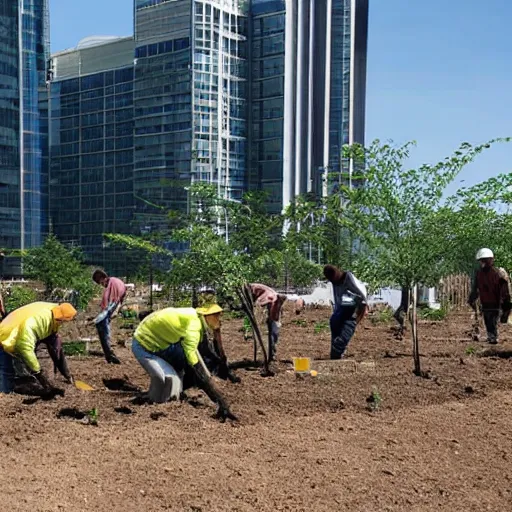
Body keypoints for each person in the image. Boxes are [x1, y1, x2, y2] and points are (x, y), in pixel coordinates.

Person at [132, 305, 237, 421]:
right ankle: (167, 394)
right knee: (185, 374)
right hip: (146, 343)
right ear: (206, 316)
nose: (218, 319)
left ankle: (181, 386)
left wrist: (221, 363)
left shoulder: (194, 318)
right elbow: (195, 364)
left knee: (192, 368)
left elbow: (205, 349)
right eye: (215, 316)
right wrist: (220, 400)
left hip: (159, 338)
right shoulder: (193, 328)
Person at [0, 302, 77, 396]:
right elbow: (24, 347)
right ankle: (5, 395)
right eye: (65, 321)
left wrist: (66, 373)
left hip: (18, 331)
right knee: (7, 370)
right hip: (6, 334)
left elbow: (55, 347)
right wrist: (38, 372)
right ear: (61, 319)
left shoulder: (54, 311)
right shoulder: (36, 322)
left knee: (21, 366)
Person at [324, 265, 368, 359]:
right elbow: (337, 298)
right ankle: (336, 352)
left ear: (336, 274)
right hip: (341, 309)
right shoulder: (334, 281)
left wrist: (364, 307)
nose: (333, 282)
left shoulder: (349, 278)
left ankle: (338, 350)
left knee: (346, 330)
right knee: (334, 323)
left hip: (353, 307)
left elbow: (362, 294)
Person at [468, 248, 511, 344]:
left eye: (486, 260)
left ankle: (493, 337)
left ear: (491, 260)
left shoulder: (497, 274)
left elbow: (504, 291)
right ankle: (491, 336)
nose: (484, 262)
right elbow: (476, 288)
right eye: (483, 260)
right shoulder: (480, 274)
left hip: (495, 303)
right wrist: (472, 299)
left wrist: (505, 303)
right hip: (486, 302)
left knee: (492, 321)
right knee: (488, 320)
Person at [92, 269, 127, 364]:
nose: (102, 285)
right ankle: (109, 353)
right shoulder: (115, 282)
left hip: (112, 305)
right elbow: (119, 299)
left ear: (104, 278)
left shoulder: (112, 285)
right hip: (115, 303)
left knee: (101, 325)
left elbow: (109, 306)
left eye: (101, 282)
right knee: (104, 326)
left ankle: (109, 354)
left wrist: (97, 318)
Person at [249, 283, 287, 359]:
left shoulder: (275, 299)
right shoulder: (269, 299)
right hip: (263, 308)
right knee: (266, 333)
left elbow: (275, 316)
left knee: (273, 333)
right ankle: (266, 355)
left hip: (266, 308)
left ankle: (270, 353)